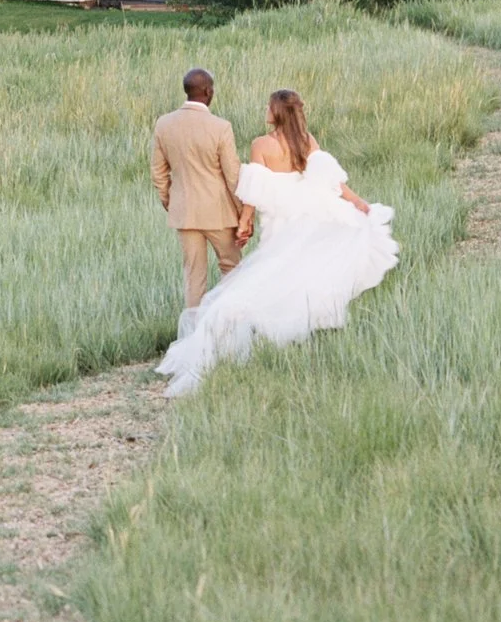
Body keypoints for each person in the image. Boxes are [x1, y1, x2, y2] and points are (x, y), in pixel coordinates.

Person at [156, 88, 399, 397]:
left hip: (282, 219)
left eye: (269, 107)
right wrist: (359, 204)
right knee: (296, 275)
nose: (265, 111)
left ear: (277, 113)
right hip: (306, 215)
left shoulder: (262, 144)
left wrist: (244, 221)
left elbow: (254, 190)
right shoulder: (307, 141)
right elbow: (334, 183)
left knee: (271, 275)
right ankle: (296, 332)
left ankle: (247, 332)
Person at [149, 68, 243, 311]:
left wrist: (171, 201)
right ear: (208, 91)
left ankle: (193, 336)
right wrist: (243, 213)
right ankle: (227, 326)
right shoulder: (220, 127)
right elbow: (232, 175)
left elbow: (158, 172)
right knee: (232, 269)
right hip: (219, 212)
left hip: (184, 212)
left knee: (193, 278)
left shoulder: (164, 123)